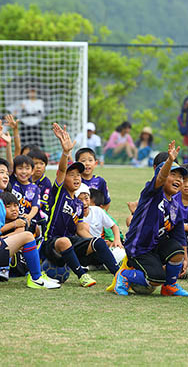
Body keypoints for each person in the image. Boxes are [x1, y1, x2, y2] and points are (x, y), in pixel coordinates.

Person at [0, 119, 59, 289]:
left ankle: (33, 275)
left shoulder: (1, 201)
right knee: (28, 236)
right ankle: (35, 278)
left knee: (27, 234)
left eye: (7, 173)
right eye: (1, 173)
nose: (6, 176)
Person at [41, 123, 119, 287]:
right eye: (72, 174)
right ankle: (82, 276)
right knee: (64, 241)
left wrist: (96, 243)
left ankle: (119, 274)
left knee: (97, 242)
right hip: (50, 243)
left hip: (71, 243)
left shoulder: (78, 204)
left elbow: (81, 228)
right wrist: (65, 152)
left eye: (79, 175)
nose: (76, 178)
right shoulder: (59, 194)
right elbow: (61, 170)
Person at [113, 141, 188, 297]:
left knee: (177, 251)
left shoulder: (176, 203)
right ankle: (124, 276)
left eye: (180, 177)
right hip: (139, 247)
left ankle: (170, 286)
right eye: (172, 174)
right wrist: (169, 161)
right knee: (155, 278)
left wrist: (185, 259)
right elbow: (160, 178)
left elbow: (179, 235)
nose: (178, 179)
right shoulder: (152, 192)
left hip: (156, 245)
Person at [75, 184, 121, 248]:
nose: (84, 203)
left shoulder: (97, 211)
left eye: (86, 198)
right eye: (79, 200)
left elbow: (114, 226)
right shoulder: (73, 215)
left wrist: (117, 240)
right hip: (84, 246)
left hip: (98, 244)